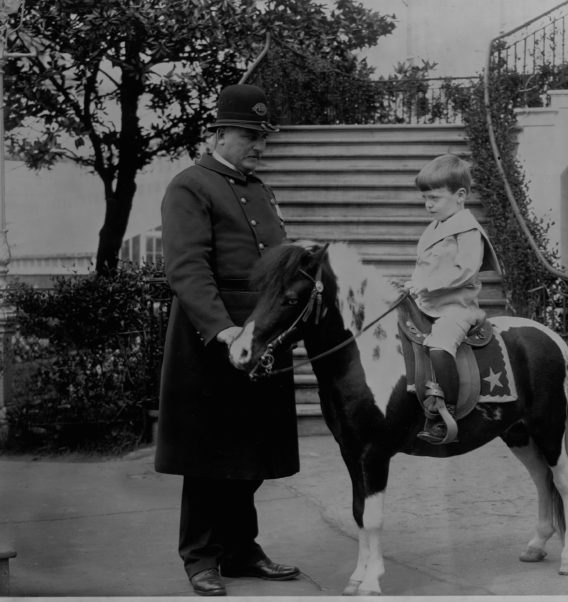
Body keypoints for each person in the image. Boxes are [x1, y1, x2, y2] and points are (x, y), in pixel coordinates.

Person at [154, 84, 300, 597]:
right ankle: (201, 557)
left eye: (263, 136)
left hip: (262, 333)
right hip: (212, 337)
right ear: (218, 133)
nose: (259, 145)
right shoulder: (190, 186)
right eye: (249, 135)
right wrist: (223, 329)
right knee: (209, 456)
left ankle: (241, 550)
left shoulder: (260, 189)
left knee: (251, 449)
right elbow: (188, 269)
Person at [404, 154, 498, 445]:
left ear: (460, 196)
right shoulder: (436, 225)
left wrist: (428, 286)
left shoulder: (468, 230)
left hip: (456, 308)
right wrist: (411, 284)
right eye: (424, 198)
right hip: (428, 302)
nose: (428, 204)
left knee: (439, 344)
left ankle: (446, 412)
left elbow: (465, 270)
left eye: (434, 198)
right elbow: (426, 267)